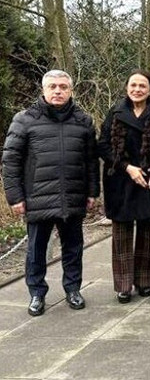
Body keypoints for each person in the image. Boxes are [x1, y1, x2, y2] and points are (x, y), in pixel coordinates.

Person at [2, 70, 99, 316]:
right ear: (43, 90)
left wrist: (92, 192)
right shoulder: (24, 120)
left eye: (63, 87)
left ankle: (73, 289)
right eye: (53, 86)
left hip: (73, 196)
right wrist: (15, 197)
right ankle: (36, 293)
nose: (58, 91)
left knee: (74, 247)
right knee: (36, 251)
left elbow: (90, 161)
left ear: (71, 91)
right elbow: (11, 162)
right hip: (38, 197)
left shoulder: (83, 121)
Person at [98, 70, 150, 304]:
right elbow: (103, 146)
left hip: (148, 178)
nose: (137, 89)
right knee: (121, 234)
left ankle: (144, 282)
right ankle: (123, 285)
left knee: (146, 232)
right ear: (127, 88)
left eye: (142, 85)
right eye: (133, 85)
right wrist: (127, 168)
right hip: (120, 179)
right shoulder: (115, 112)